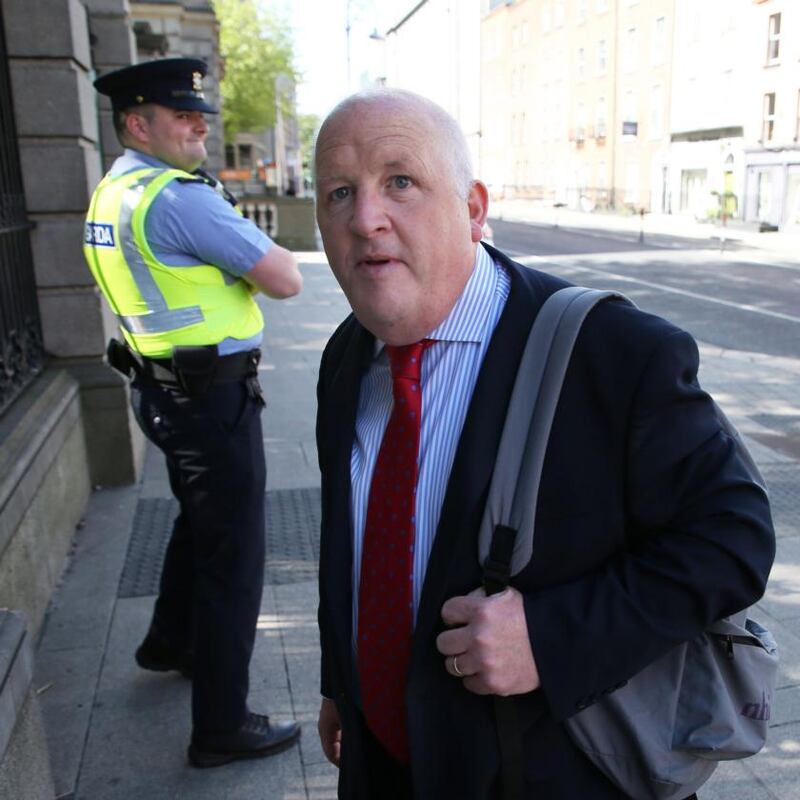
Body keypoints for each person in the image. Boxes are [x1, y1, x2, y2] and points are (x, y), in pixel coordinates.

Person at [313, 88, 775, 798]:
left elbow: (733, 539)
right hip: (383, 762)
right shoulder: (348, 356)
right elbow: (349, 540)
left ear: (472, 208)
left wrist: (555, 638)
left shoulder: (614, 353)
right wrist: (340, 681)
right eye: (339, 192)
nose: (365, 218)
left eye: (399, 181)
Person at [84, 58, 303, 768]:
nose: (197, 125)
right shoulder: (180, 199)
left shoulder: (114, 191)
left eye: (198, 114)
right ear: (136, 123)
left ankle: (169, 642)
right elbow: (287, 278)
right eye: (180, 115)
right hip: (210, 400)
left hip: (158, 389)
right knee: (233, 559)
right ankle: (221, 727)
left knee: (196, 520)